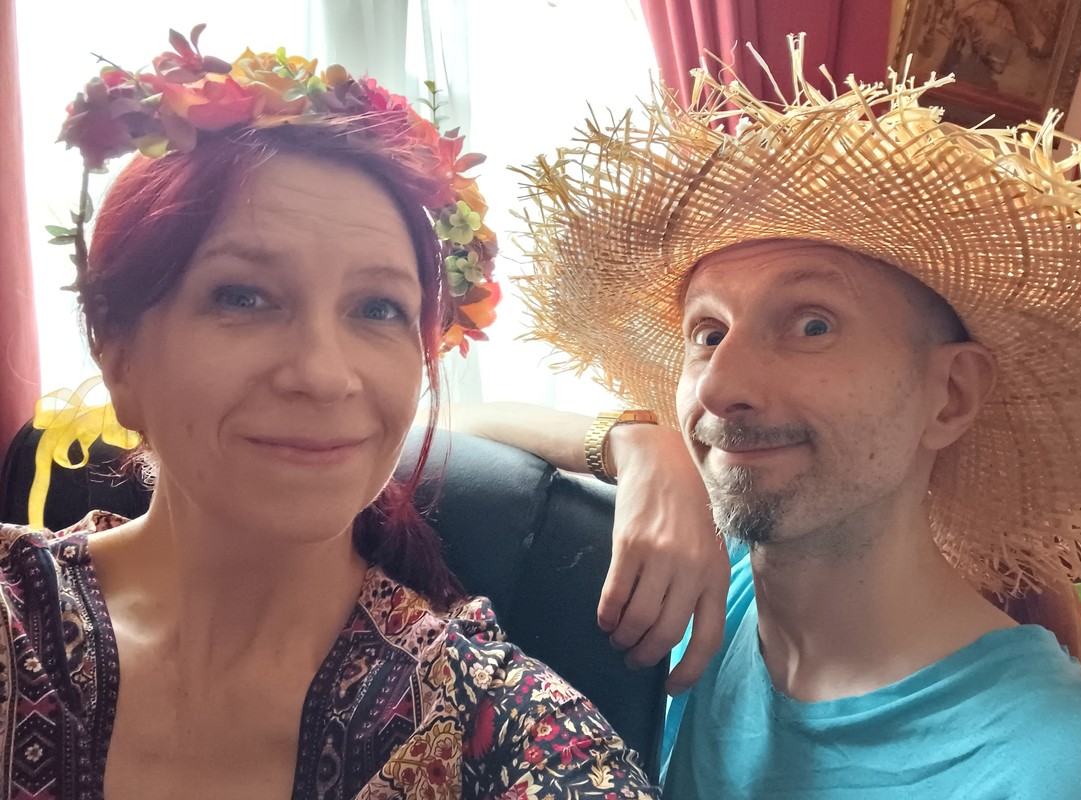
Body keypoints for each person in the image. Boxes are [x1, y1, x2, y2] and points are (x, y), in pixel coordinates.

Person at [460, 35, 1081, 798]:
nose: (721, 386)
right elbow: (444, 425)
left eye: (812, 325)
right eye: (707, 333)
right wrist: (640, 445)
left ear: (950, 395)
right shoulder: (714, 592)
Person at [0, 28, 661, 798]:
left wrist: (642, 441)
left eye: (378, 308)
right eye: (243, 296)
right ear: (116, 352)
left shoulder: (503, 728)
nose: (322, 374)